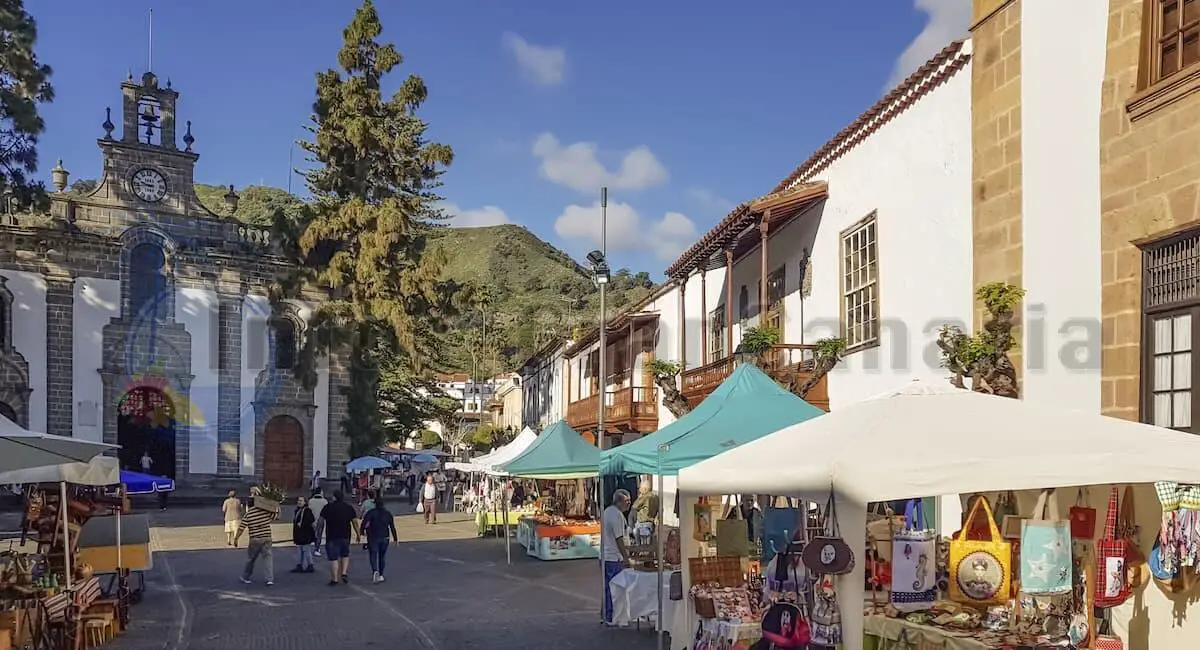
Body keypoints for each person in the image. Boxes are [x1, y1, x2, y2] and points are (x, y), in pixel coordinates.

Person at [601, 489, 632, 625]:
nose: (629, 504)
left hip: (606, 556)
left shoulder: (607, 511)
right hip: (613, 557)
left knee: (608, 588)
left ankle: (606, 615)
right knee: (615, 589)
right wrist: (626, 557)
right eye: (627, 501)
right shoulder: (617, 515)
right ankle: (612, 616)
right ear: (619, 501)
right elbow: (619, 538)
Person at [319, 489, 360, 586]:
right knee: (345, 555)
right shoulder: (348, 508)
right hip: (345, 536)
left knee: (333, 559)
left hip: (331, 536)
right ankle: (344, 573)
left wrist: (318, 533)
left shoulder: (327, 507)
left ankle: (335, 579)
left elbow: (321, 521)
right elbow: (354, 522)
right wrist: (358, 534)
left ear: (334, 497)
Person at [239, 487, 277, 586]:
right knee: (268, 558)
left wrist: (236, 538)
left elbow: (241, 527)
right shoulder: (265, 511)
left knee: (251, 559)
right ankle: (269, 579)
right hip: (266, 537)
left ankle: (245, 577)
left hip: (255, 539)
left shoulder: (249, 514)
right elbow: (275, 516)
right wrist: (276, 506)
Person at [361, 495, 398, 584]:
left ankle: (375, 571)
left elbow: (364, 523)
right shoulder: (387, 514)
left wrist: (362, 532)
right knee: (382, 556)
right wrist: (395, 539)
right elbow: (392, 527)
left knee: (373, 555)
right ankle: (381, 574)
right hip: (385, 537)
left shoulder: (371, 513)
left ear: (375, 504)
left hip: (373, 537)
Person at [291, 496, 316, 573]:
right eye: (298, 500)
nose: (299, 502)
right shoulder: (298, 510)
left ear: (305, 502)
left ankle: (310, 565)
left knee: (306, 550)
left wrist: (302, 524)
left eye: (301, 501)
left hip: (305, 534)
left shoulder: (307, 510)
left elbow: (310, 520)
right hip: (299, 534)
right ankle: (300, 565)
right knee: (300, 550)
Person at [308, 489, 329, 556]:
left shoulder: (311, 501)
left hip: (312, 520)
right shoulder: (324, 501)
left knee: (314, 534)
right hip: (321, 520)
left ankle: (314, 547)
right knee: (319, 535)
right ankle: (317, 548)